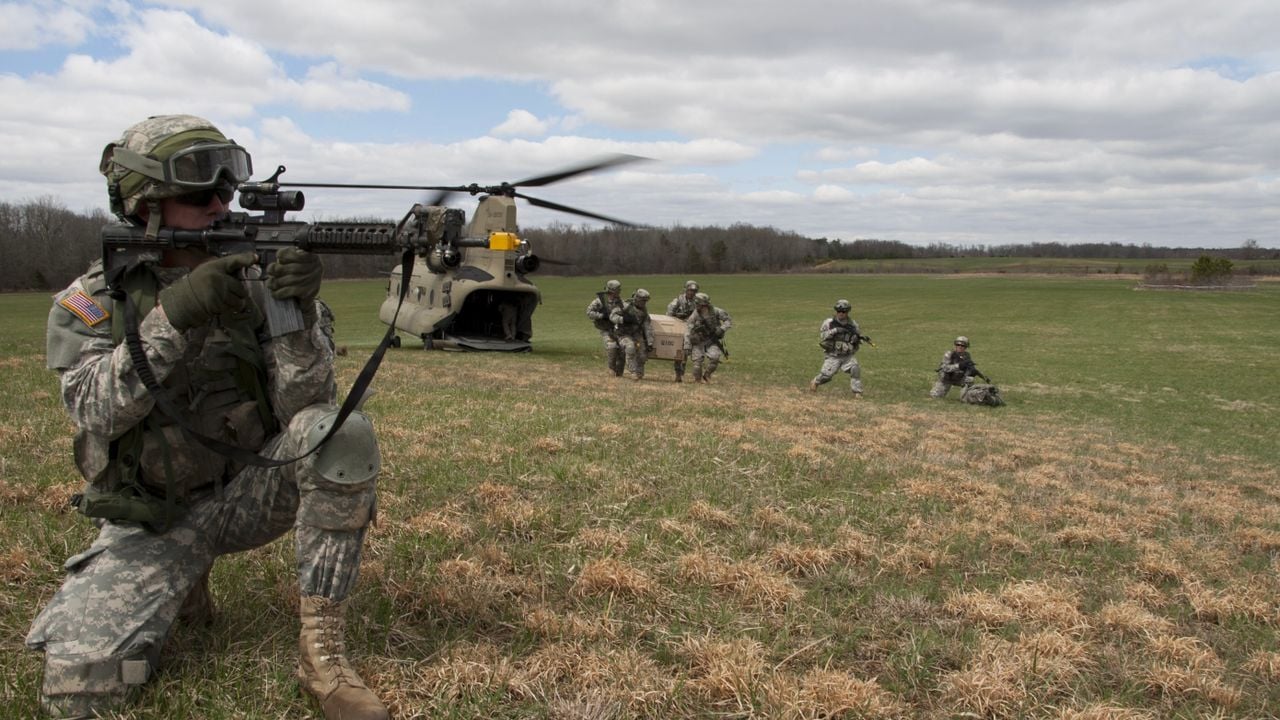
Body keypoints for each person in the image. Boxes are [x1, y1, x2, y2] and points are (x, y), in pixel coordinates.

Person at [26, 115, 387, 720]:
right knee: (81, 693)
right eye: (199, 196)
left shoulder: (259, 280)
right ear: (147, 205)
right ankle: (178, 588)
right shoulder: (94, 298)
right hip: (154, 516)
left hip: (246, 493)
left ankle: (319, 653)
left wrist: (292, 313)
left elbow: (308, 412)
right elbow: (95, 409)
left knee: (341, 431)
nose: (221, 205)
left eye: (227, 192)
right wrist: (176, 313)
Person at [810, 299, 865, 397]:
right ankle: (816, 382)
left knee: (855, 369)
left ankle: (857, 393)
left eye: (843, 311)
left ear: (847, 312)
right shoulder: (829, 323)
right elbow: (823, 336)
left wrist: (856, 339)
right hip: (833, 354)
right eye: (838, 311)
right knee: (826, 376)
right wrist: (835, 330)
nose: (841, 313)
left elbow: (857, 341)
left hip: (847, 355)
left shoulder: (853, 324)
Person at [683, 292, 732, 383]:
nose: (698, 306)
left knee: (715, 358)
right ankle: (697, 381)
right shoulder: (694, 315)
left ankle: (707, 375)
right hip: (698, 341)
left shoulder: (716, 311)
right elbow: (688, 331)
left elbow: (728, 320)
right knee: (697, 364)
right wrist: (687, 345)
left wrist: (722, 329)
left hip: (712, 340)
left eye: (700, 304)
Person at [611, 288, 656, 381]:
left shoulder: (643, 311)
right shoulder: (625, 306)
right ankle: (633, 372)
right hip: (623, 334)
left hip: (636, 334)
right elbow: (612, 316)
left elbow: (647, 326)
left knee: (643, 353)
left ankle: (639, 373)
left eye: (645, 301)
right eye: (643, 300)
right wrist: (623, 320)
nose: (644, 303)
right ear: (637, 298)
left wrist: (650, 342)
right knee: (630, 347)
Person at [586, 279, 626, 376]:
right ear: (612, 291)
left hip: (617, 329)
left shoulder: (620, 301)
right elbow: (589, 312)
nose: (619, 292)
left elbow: (624, 311)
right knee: (612, 346)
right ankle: (611, 369)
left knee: (623, 348)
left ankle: (619, 372)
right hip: (605, 329)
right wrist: (601, 316)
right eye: (617, 290)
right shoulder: (599, 301)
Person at [666, 280, 699, 382]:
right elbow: (668, 314)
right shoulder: (678, 300)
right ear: (685, 290)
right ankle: (678, 374)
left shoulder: (697, 302)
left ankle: (682, 371)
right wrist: (678, 316)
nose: (692, 293)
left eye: (694, 291)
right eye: (690, 290)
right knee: (678, 351)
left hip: (691, 329)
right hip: (678, 327)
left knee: (686, 351)